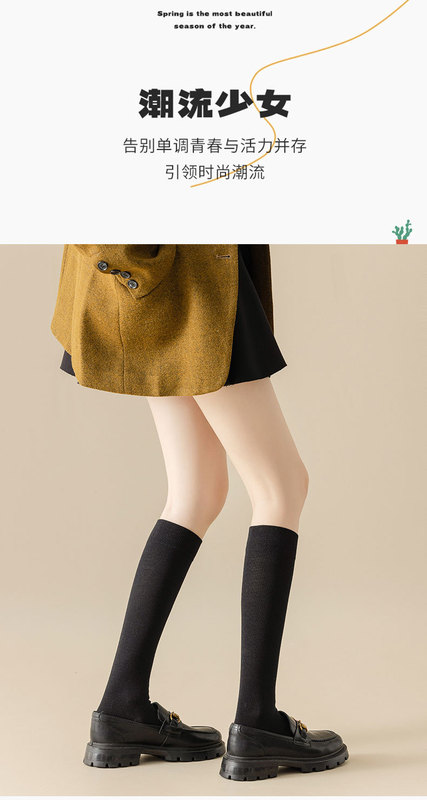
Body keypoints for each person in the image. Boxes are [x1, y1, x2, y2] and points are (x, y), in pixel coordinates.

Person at [51, 243, 349, 781]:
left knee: (197, 492)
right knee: (280, 486)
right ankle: (257, 722)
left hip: (162, 291)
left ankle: (122, 706)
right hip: (190, 287)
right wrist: (145, 264)